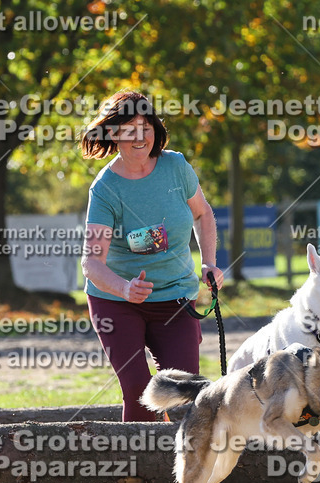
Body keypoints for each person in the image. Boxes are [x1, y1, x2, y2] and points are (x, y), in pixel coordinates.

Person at [80, 90, 225, 421]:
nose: (139, 136)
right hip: (116, 303)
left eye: (145, 126)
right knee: (138, 391)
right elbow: (91, 262)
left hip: (174, 298)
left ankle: (181, 468)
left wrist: (208, 262)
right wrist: (125, 289)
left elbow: (203, 214)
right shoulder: (105, 188)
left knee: (185, 394)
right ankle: (135, 471)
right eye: (128, 128)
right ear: (113, 133)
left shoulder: (175, 166)